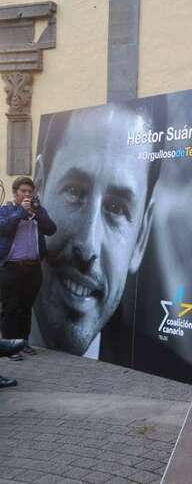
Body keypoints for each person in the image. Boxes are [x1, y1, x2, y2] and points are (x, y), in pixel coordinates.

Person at [31, 103, 159, 358]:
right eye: (74, 191)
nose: (88, 246)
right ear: (38, 190)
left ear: (141, 238)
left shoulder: (178, 376)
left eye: (116, 207)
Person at [0, 176, 57, 361]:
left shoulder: (38, 212)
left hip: (33, 268)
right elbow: (4, 228)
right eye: (23, 191)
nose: (27, 194)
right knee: (11, 308)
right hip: (11, 268)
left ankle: (23, 342)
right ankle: (9, 347)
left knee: (26, 307)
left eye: (30, 192)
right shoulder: (6, 210)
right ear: (15, 193)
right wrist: (19, 213)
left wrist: (37, 212)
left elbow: (51, 229)